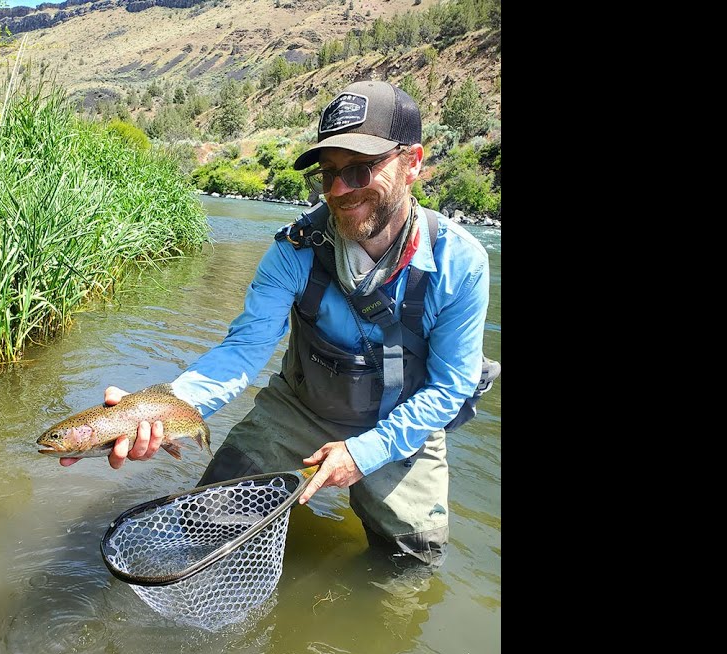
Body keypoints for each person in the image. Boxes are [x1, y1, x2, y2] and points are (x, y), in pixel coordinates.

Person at [60, 80, 497, 566]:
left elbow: (449, 388)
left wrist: (363, 454)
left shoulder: (461, 263)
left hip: (405, 420)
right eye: (328, 173)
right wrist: (160, 409)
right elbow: (243, 351)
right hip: (300, 407)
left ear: (412, 162)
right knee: (203, 518)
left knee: (410, 565)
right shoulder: (293, 251)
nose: (339, 190)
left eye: (359, 169)